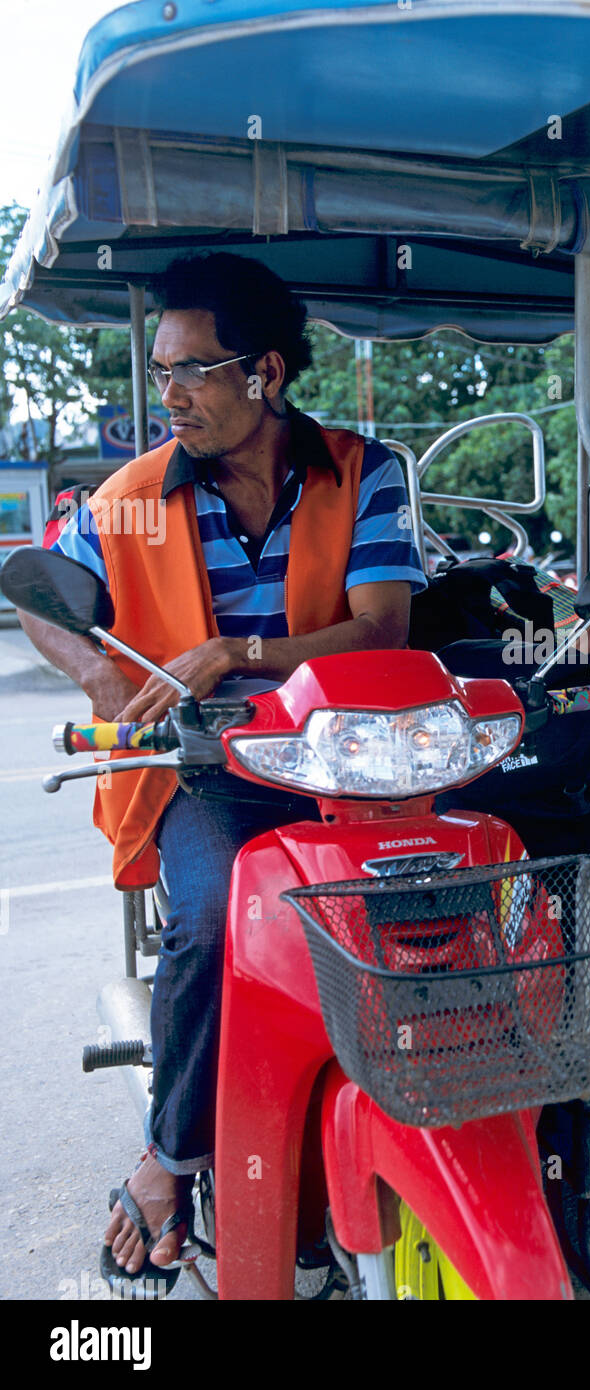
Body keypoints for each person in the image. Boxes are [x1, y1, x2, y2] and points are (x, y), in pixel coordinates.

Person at [17, 253, 427, 1276]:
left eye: (195, 371)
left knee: (440, 899)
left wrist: (238, 653)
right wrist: (101, 681)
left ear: (265, 373)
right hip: (205, 768)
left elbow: (383, 629)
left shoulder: (364, 470)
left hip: (350, 758)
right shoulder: (130, 493)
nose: (172, 396)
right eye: (161, 372)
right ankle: (170, 1154)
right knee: (214, 916)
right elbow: (34, 592)